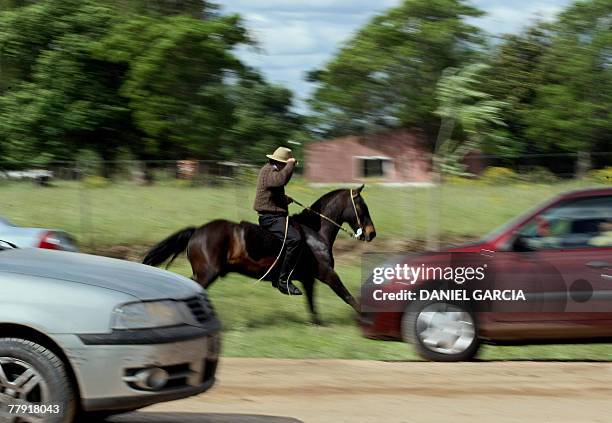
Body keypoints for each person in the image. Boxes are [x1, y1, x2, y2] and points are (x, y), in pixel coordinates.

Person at [253, 147, 303, 295]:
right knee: (295, 239)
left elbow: (273, 190)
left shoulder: (270, 170)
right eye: (285, 164)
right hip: (271, 219)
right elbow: (280, 180)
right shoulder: (270, 170)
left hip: (273, 216)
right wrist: (291, 164)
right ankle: (283, 281)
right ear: (281, 163)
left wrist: (284, 199)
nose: (286, 167)